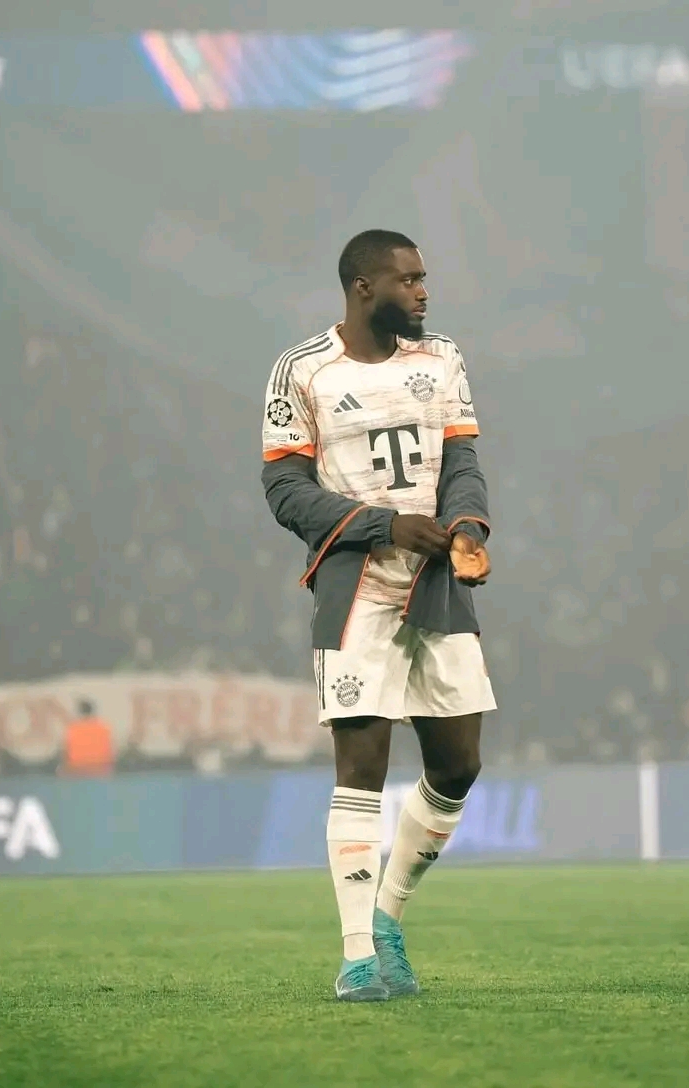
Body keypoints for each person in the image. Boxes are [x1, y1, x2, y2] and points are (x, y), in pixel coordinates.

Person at [261, 230, 496, 1002]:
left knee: (458, 764)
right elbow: (285, 491)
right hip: (356, 585)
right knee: (361, 767)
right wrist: (383, 525)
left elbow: (461, 462)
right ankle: (358, 956)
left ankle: (387, 916)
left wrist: (467, 528)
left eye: (425, 278)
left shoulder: (442, 359)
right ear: (364, 288)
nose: (424, 292)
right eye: (409, 280)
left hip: (435, 578)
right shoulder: (303, 370)